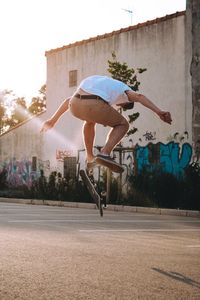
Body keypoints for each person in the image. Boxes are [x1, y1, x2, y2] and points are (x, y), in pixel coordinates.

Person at [41, 75, 172, 172]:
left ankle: (90, 157)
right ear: (125, 102)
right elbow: (139, 97)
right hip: (94, 103)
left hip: (74, 104)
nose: (117, 105)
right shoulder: (124, 91)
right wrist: (159, 112)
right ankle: (105, 153)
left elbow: (67, 101)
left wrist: (52, 120)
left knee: (90, 120)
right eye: (121, 105)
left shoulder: (103, 83)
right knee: (123, 124)